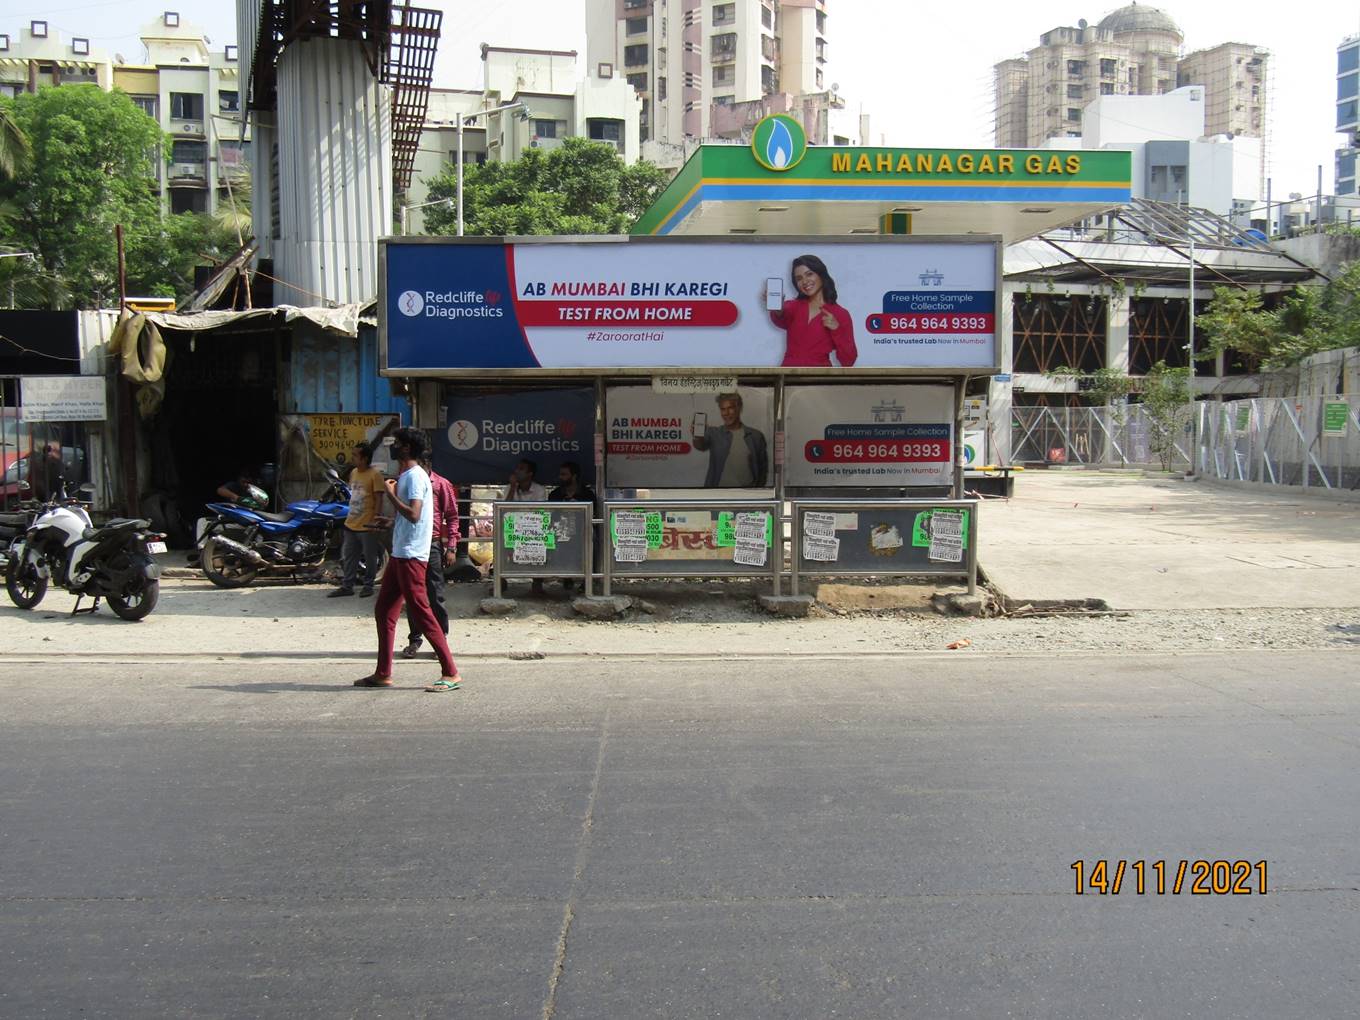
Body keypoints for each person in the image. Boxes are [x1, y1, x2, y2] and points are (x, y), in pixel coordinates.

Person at [354, 428, 461, 692]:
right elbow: (415, 519)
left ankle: (451, 672)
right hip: (401, 553)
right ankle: (382, 672)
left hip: (412, 555)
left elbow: (414, 514)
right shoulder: (408, 476)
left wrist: (390, 495)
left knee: (423, 612)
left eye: (397, 443)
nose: (392, 447)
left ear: (406, 449)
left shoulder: (413, 476)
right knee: (384, 611)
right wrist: (390, 522)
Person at [401, 455, 460, 659]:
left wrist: (451, 547)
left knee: (435, 592)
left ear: (426, 465)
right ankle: (414, 640)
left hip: (432, 543)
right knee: (413, 594)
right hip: (411, 544)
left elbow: (452, 516)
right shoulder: (407, 481)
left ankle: (440, 639)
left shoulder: (441, 484)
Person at [765, 254, 858, 367]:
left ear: (821, 274)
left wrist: (837, 330)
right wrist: (777, 309)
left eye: (809, 274)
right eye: (799, 278)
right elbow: (781, 317)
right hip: (788, 375)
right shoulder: (793, 306)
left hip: (819, 377)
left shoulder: (840, 314)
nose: (804, 281)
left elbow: (848, 360)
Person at [330, 442, 386, 598]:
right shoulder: (354, 472)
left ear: (364, 458)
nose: (352, 458)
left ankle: (368, 585)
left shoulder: (375, 475)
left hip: (367, 524)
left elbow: (379, 499)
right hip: (351, 522)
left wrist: (376, 520)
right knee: (348, 556)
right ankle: (347, 585)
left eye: (355, 455)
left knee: (370, 557)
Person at [692, 393, 769, 488]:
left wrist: (757, 491)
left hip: (747, 496)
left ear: (739, 408)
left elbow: (763, 469)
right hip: (719, 493)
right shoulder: (714, 433)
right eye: (723, 409)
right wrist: (697, 436)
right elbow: (701, 446)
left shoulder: (756, 436)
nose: (726, 413)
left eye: (730, 408)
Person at [548, 461, 598, 592]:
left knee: (592, 538)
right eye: (560, 474)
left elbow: (595, 515)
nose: (561, 477)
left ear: (574, 476)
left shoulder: (587, 494)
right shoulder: (555, 494)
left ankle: (588, 580)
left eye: (564, 474)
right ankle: (566, 576)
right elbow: (551, 516)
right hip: (562, 530)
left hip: (583, 529)